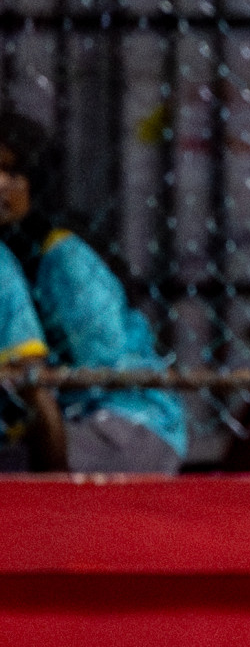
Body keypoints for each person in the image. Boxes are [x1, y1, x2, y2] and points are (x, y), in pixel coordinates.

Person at [0, 113, 186, 473]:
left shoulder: (64, 255)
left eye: (12, 172)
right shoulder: (15, 253)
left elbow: (105, 368)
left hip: (127, 421)